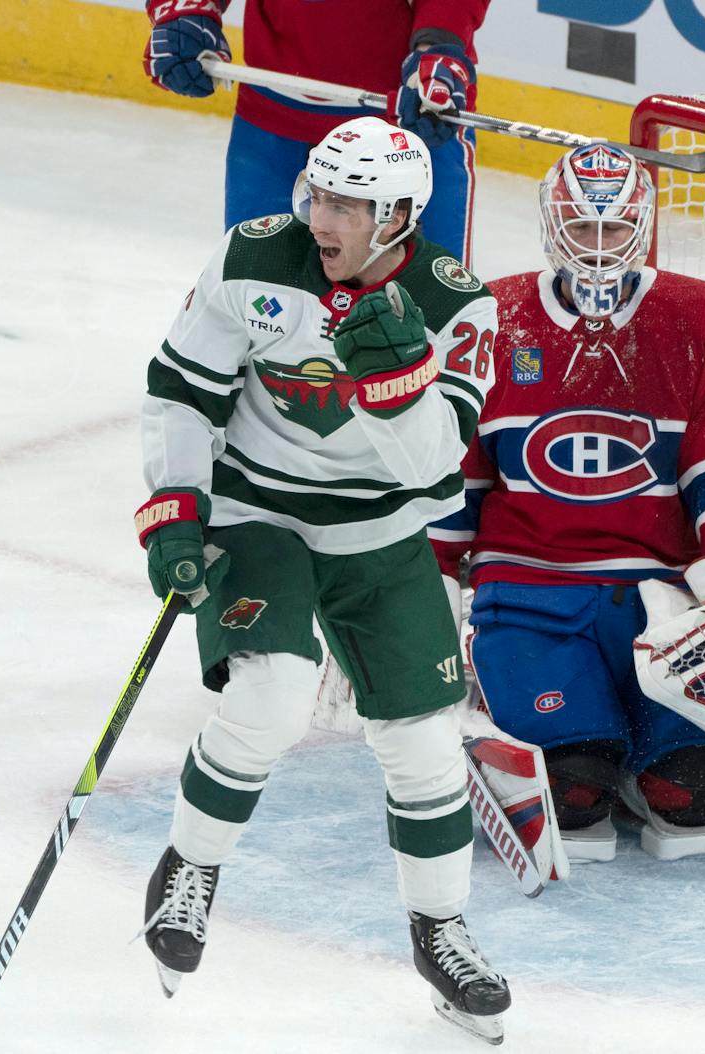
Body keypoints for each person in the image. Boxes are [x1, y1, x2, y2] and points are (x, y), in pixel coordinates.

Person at [135, 115, 509, 1045]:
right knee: (272, 695)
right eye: (320, 194)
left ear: (398, 218)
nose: (322, 218)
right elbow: (183, 390)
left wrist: (398, 387)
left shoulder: (459, 306)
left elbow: (432, 472)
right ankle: (190, 867)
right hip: (257, 513)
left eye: (348, 204)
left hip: (381, 533)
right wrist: (177, 506)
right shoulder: (258, 258)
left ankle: (441, 930)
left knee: (425, 741)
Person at [430, 144, 705, 873]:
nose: (600, 251)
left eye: (616, 232)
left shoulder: (703, 321)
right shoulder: (491, 319)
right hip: (531, 596)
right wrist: (419, 580)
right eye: (584, 230)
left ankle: (654, 747)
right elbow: (450, 473)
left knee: (698, 791)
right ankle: (544, 716)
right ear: (554, 227)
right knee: (573, 787)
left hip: (665, 607)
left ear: (643, 228)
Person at [142, 0, 488, 262]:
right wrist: (186, 8)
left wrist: (440, 42)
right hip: (271, 122)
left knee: (428, 324)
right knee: (249, 307)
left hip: (409, 120)